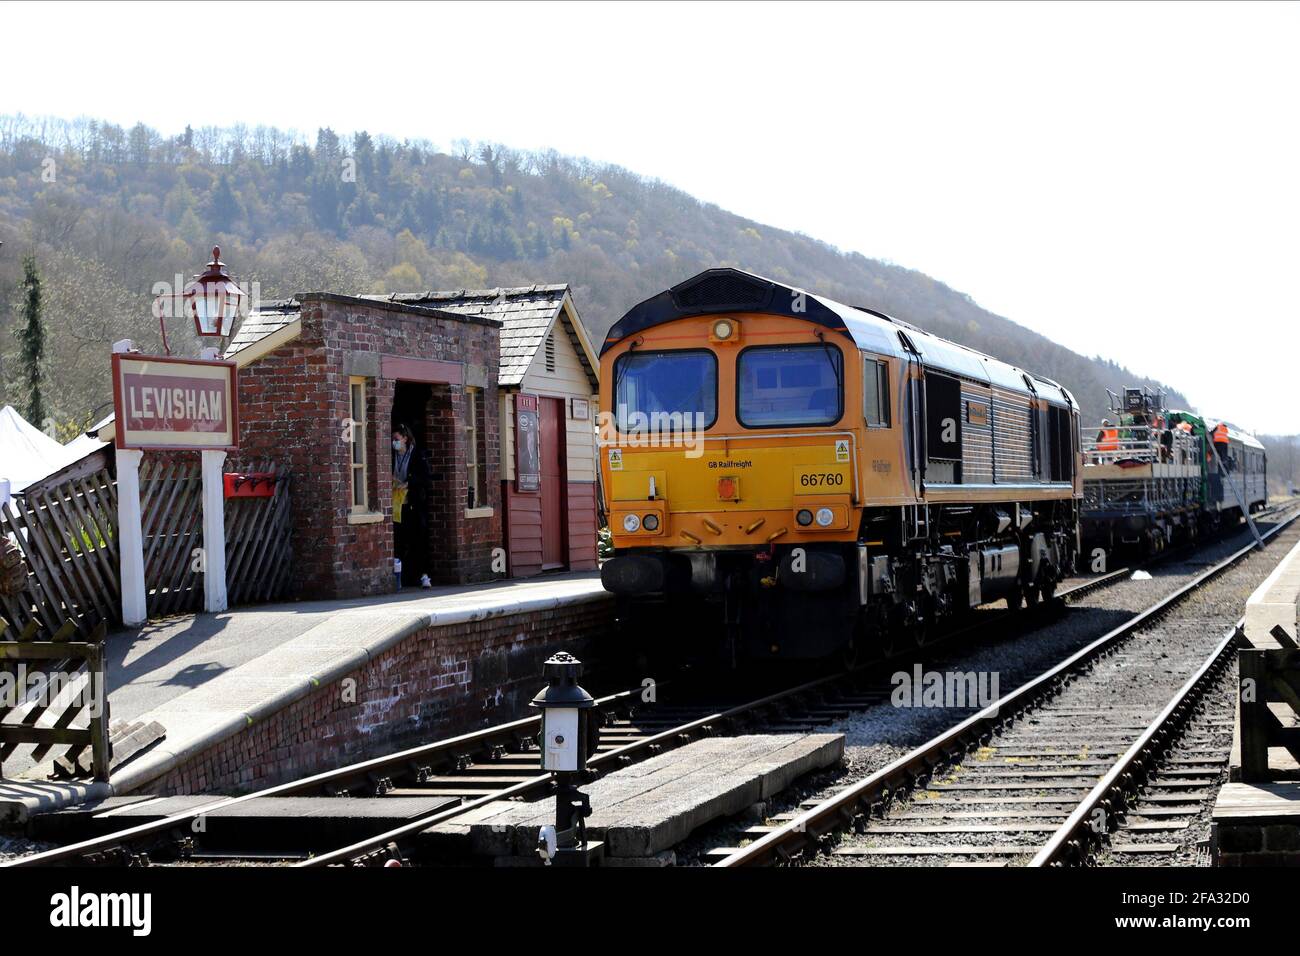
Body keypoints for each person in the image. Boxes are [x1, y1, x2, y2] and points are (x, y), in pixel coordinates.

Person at [392, 423, 431, 589]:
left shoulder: (417, 455)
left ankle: (423, 575)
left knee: (417, 539)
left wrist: (408, 484)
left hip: (413, 503)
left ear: (405, 438)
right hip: (396, 504)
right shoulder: (390, 456)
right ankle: (401, 577)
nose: (394, 442)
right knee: (399, 540)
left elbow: (425, 478)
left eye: (396, 439)